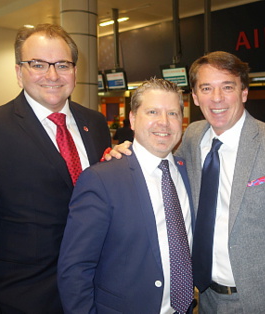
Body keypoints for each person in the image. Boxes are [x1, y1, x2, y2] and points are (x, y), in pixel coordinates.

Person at [109, 51, 265, 313]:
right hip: (206, 298)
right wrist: (125, 151)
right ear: (196, 96)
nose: (217, 98)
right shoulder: (192, 137)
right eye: (207, 88)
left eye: (227, 87)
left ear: (244, 92)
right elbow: (159, 165)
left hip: (264, 300)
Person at [0, 24, 111, 313]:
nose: (52, 75)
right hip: (24, 301)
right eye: (37, 64)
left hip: (95, 293)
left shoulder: (94, 125)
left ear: (75, 71)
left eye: (62, 64)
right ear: (19, 72)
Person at [58, 78, 195, 313]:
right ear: (132, 118)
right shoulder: (102, 179)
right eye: (152, 111)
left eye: (172, 113)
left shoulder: (187, 171)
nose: (164, 123)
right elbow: (75, 269)